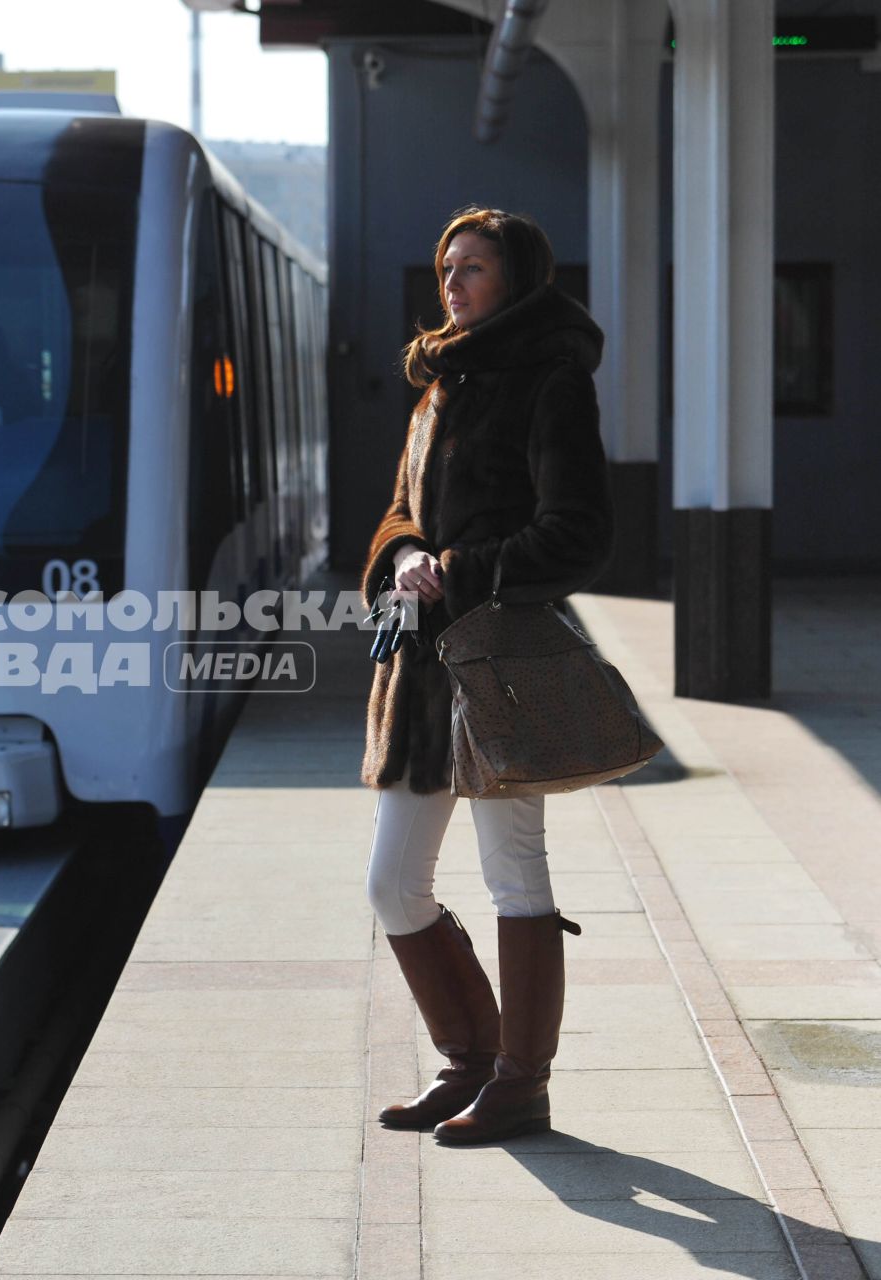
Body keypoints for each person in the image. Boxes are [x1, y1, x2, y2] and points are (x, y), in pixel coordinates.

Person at [358, 206, 614, 1144]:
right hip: (423, 672)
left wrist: (460, 569)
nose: (453, 283)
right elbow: (396, 512)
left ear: (519, 277)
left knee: (516, 872)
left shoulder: (549, 381)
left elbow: (579, 534)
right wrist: (407, 556)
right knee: (393, 884)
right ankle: (468, 1061)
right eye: (446, 266)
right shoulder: (436, 389)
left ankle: (519, 1082)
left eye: (473, 267)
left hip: (501, 662)